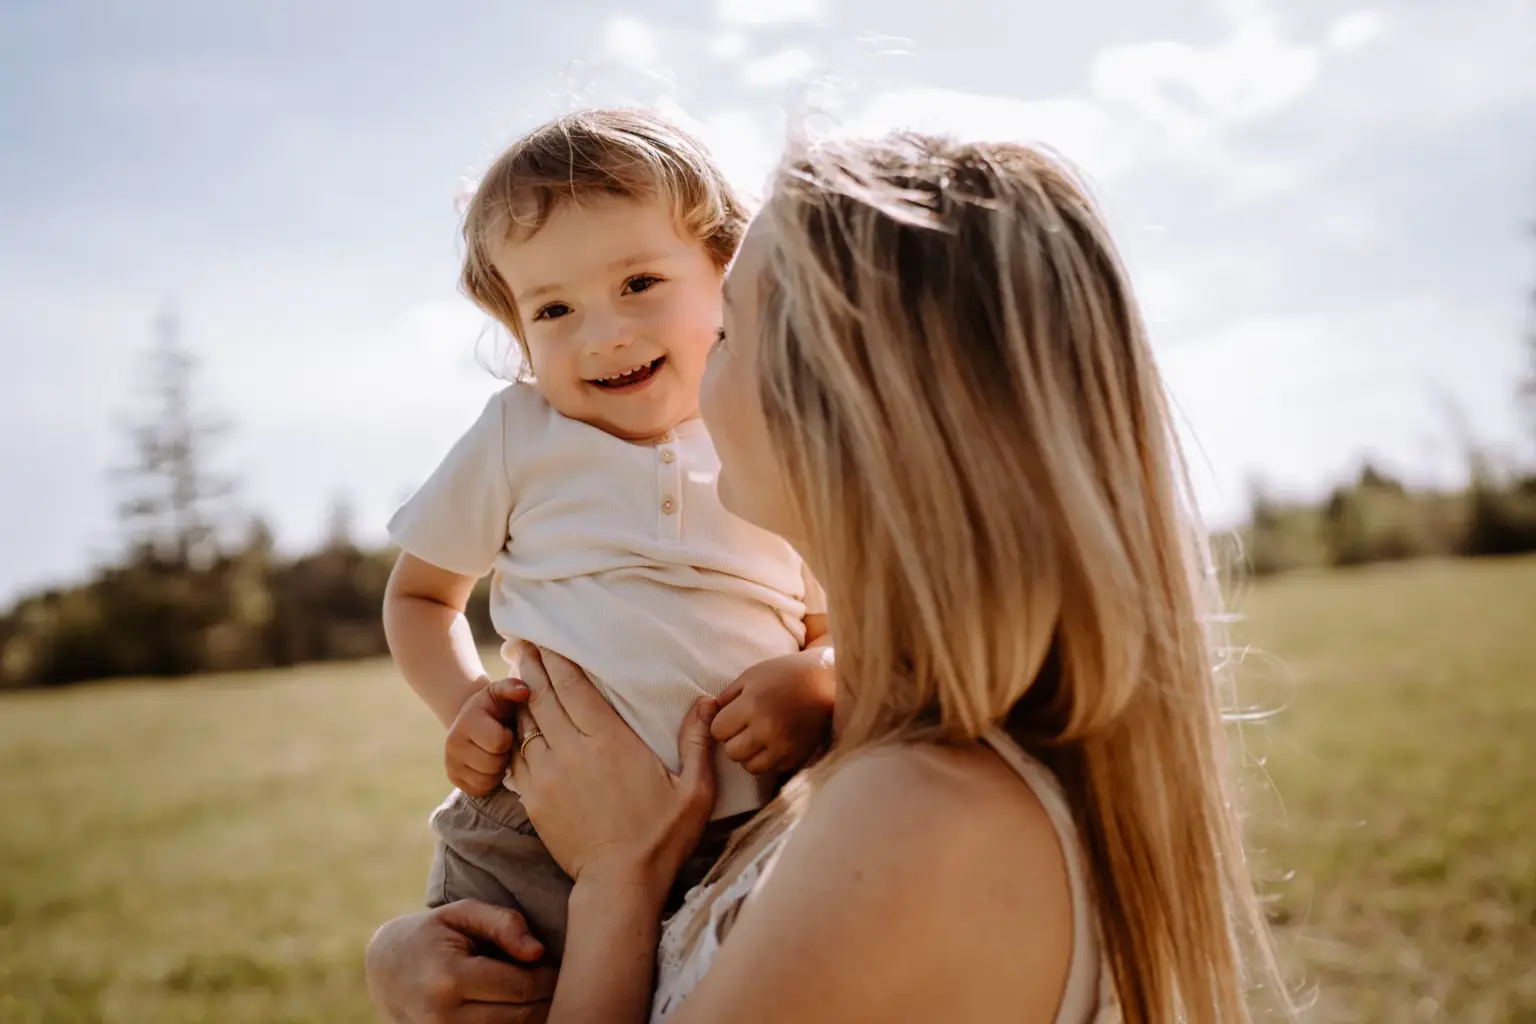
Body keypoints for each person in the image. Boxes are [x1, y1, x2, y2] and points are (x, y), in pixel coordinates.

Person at [368, 130, 1296, 1024]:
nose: (619, 341)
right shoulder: (877, 772)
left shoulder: (920, 819)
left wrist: (618, 874)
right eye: (555, 309)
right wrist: (408, 966)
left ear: (846, 402)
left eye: (730, 326)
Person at [381, 108, 837, 962]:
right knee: (505, 993)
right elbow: (420, 594)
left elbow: (840, 624)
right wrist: (462, 702)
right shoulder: (521, 433)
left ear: (726, 270)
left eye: (638, 285)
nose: (606, 333)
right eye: (553, 309)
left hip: (753, 821)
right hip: (534, 825)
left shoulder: (781, 440)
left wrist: (816, 680)